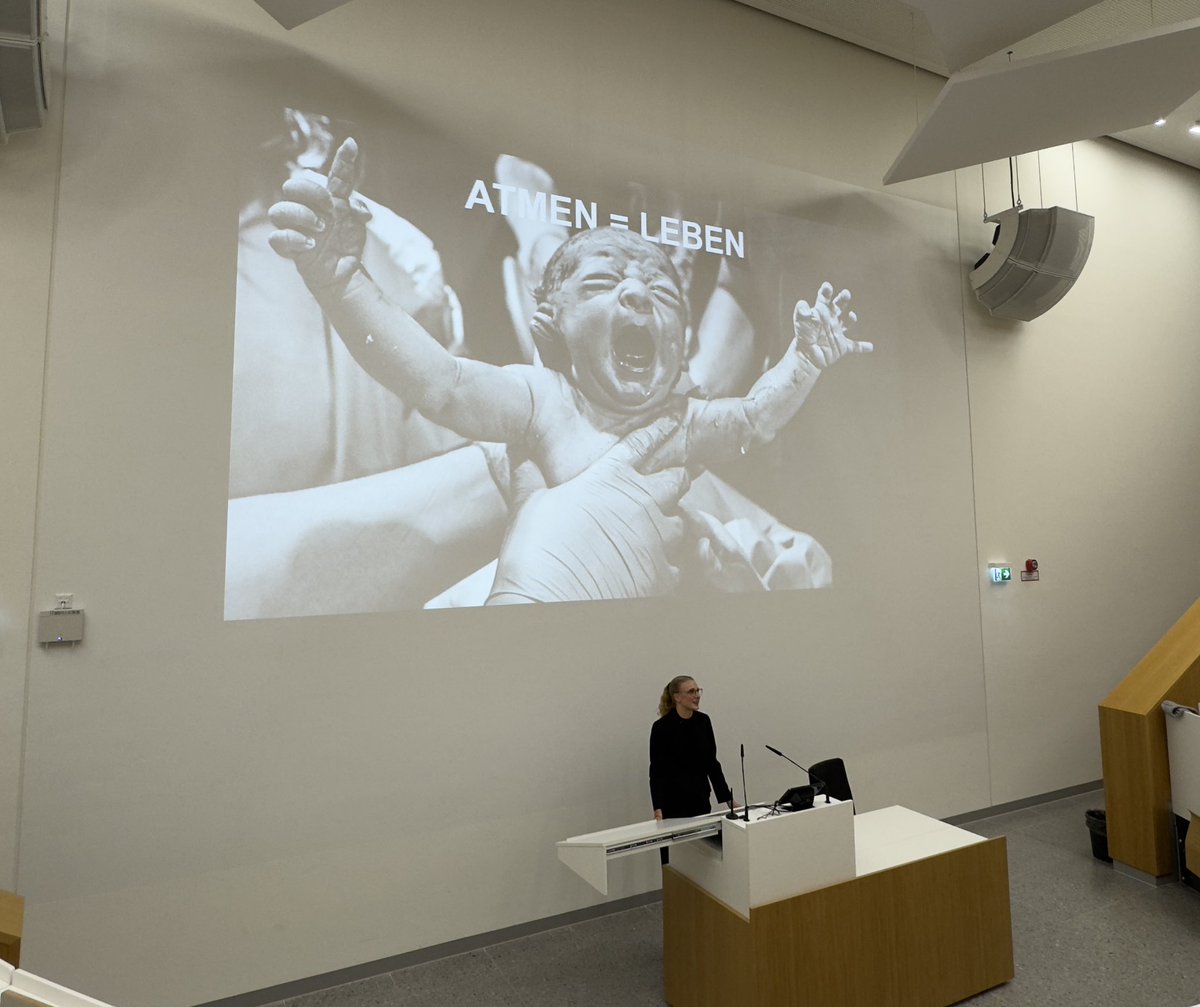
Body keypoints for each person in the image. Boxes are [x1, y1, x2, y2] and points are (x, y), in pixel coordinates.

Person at [267, 135, 872, 504]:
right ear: (548, 332)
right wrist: (342, 279)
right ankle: (542, 237)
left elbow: (756, 419)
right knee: (555, 263)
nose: (638, 295)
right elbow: (436, 382)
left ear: (682, 345)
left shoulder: (678, 421)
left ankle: (548, 243)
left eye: (663, 292)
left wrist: (804, 360)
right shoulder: (541, 401)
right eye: (610, 283)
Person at [649, 676, 733, 865]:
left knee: (702, 857)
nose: (696, 696)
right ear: (677, 697)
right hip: (673, 804)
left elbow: (712, 762)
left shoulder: (703, 722)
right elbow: (656, 771)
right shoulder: (661, 728)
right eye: (691, 692)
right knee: (674, 861)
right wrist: (658, 807)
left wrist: (727, 798)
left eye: (697, 691)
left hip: (699, 799)